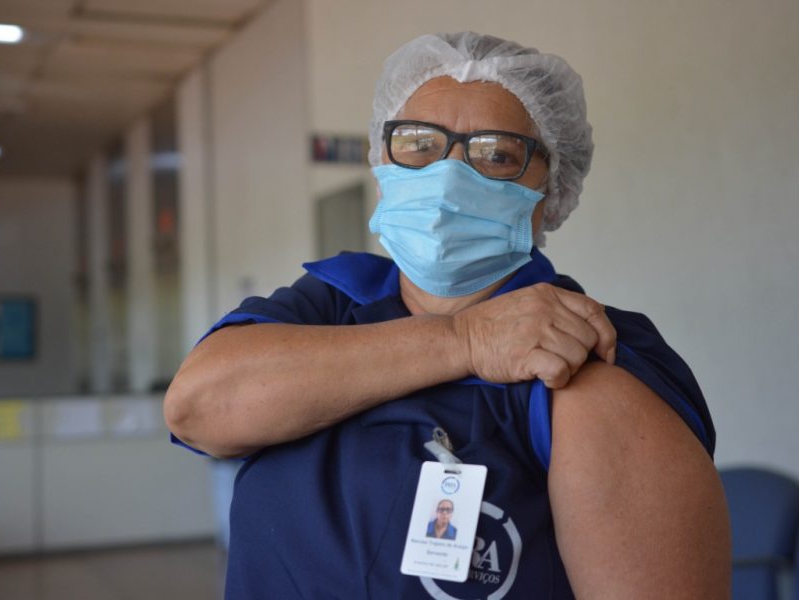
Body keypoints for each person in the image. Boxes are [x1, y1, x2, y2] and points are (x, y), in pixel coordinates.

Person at [165, 32, 731, 599]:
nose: (449, 175)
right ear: (382, 164)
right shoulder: (329, 303)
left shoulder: (582, 360)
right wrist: (463, 341)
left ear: (552, 191)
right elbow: (197, 409)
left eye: (497, 155)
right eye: (418, 144)